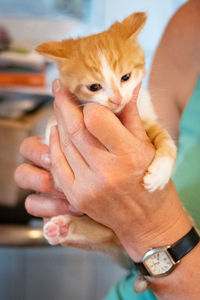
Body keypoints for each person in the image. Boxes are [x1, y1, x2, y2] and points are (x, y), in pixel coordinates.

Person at [14, 0, 200, 299]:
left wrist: (153, 225)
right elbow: (124, 234)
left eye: (125, 79)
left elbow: (156, 144)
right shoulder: (189, 24)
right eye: (95, 88)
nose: (116, 98)